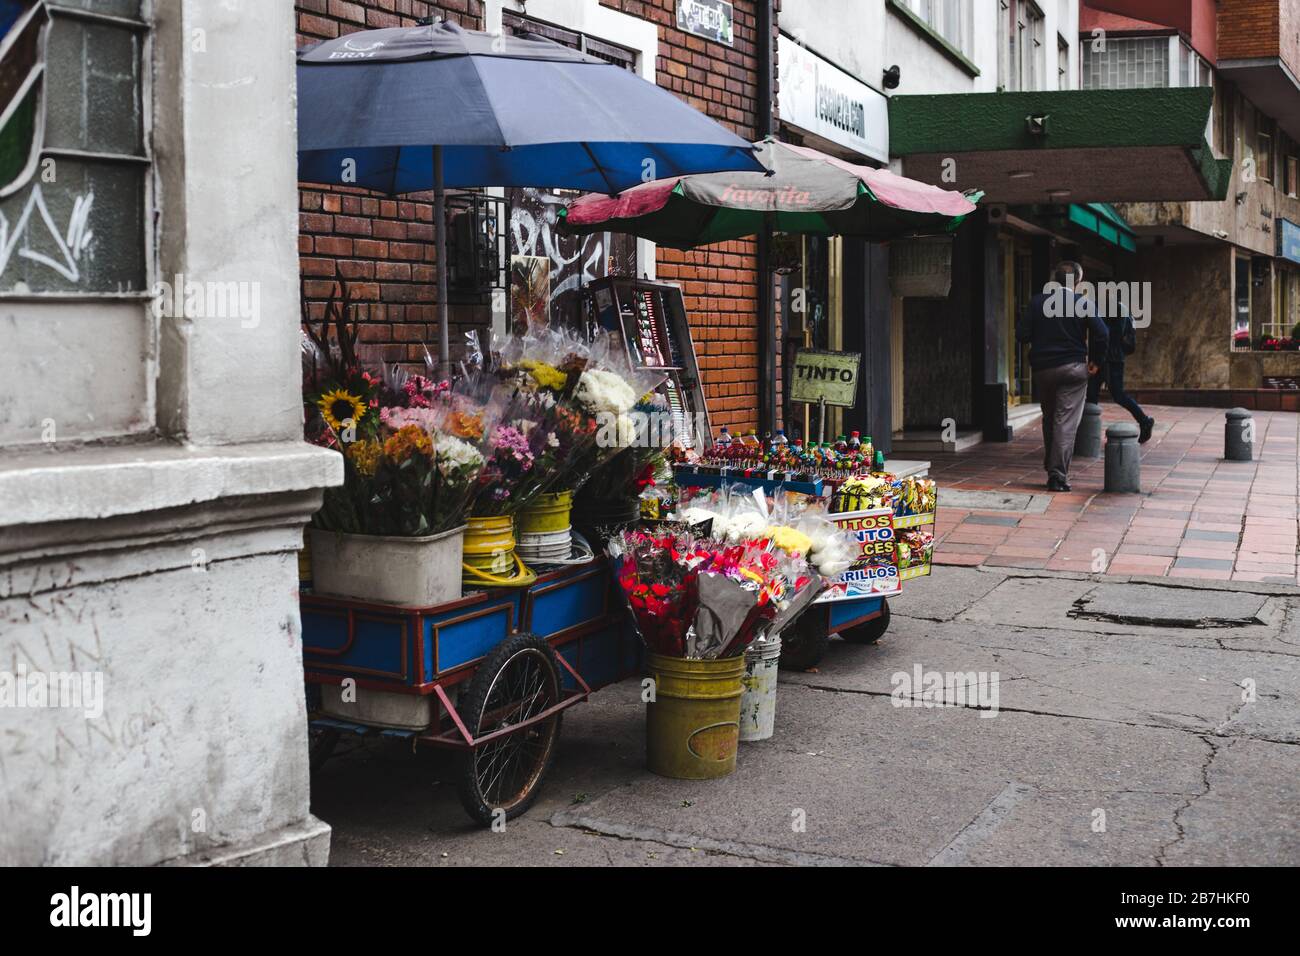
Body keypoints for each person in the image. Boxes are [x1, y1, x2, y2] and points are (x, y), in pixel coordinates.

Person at [1015, 261, 1109, 492]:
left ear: (1055, 280)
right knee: (1064, 422)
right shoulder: (1083, 303)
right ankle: (1057, 475)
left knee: (1050, 418)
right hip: (1074, 369)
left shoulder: (1038, 302)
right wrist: (1096, 362)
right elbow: (1103, 334)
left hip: (1043, 370)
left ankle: (1052, 466)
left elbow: (1022, 335)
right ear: (1077, 281)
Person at [1086, 294, 1155, 443]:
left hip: (1111, 360)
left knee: (1117, 395)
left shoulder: (1116, 309)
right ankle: (1087, 437)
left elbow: (1110, 336)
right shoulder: (1111, 307)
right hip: (1106, 358)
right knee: (1091, 396)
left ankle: (1144, 420)